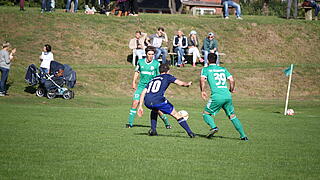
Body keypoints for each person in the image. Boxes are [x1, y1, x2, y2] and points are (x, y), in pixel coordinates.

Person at [138, 64, 195, 138]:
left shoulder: (153, 79)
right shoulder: (168, 76)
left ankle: (153, 130)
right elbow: (181, 83)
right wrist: (187, 84)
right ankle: (190, 133)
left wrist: (140, 106)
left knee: (154, 110)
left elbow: (143, 92)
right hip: (158, 100)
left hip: (147, 101)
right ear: (168, 71)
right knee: (175, 114)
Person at [199, 53, 248, 141]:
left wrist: (202, 91)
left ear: (208, 60)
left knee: (205, 114)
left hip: (217, 96)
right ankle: (243, 136)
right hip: (227, 96)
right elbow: (232, 80)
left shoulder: (206, 69)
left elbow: (202, 80)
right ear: (216, 60)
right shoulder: (223, 69)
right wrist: (231, 89)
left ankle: (214, 127)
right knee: (232, 116)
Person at [127, 46, 171, 129]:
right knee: (135, 103)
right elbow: (137, 72)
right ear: (146, 54)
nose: (151, 56)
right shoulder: (140, 62)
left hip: (151, 88)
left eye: (152, 54)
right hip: (141, 86)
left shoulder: (156, 64)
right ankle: (130, 123)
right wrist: (133, 82)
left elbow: (159, 77)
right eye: (149, 54)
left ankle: (166, 122)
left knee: (156, 108)